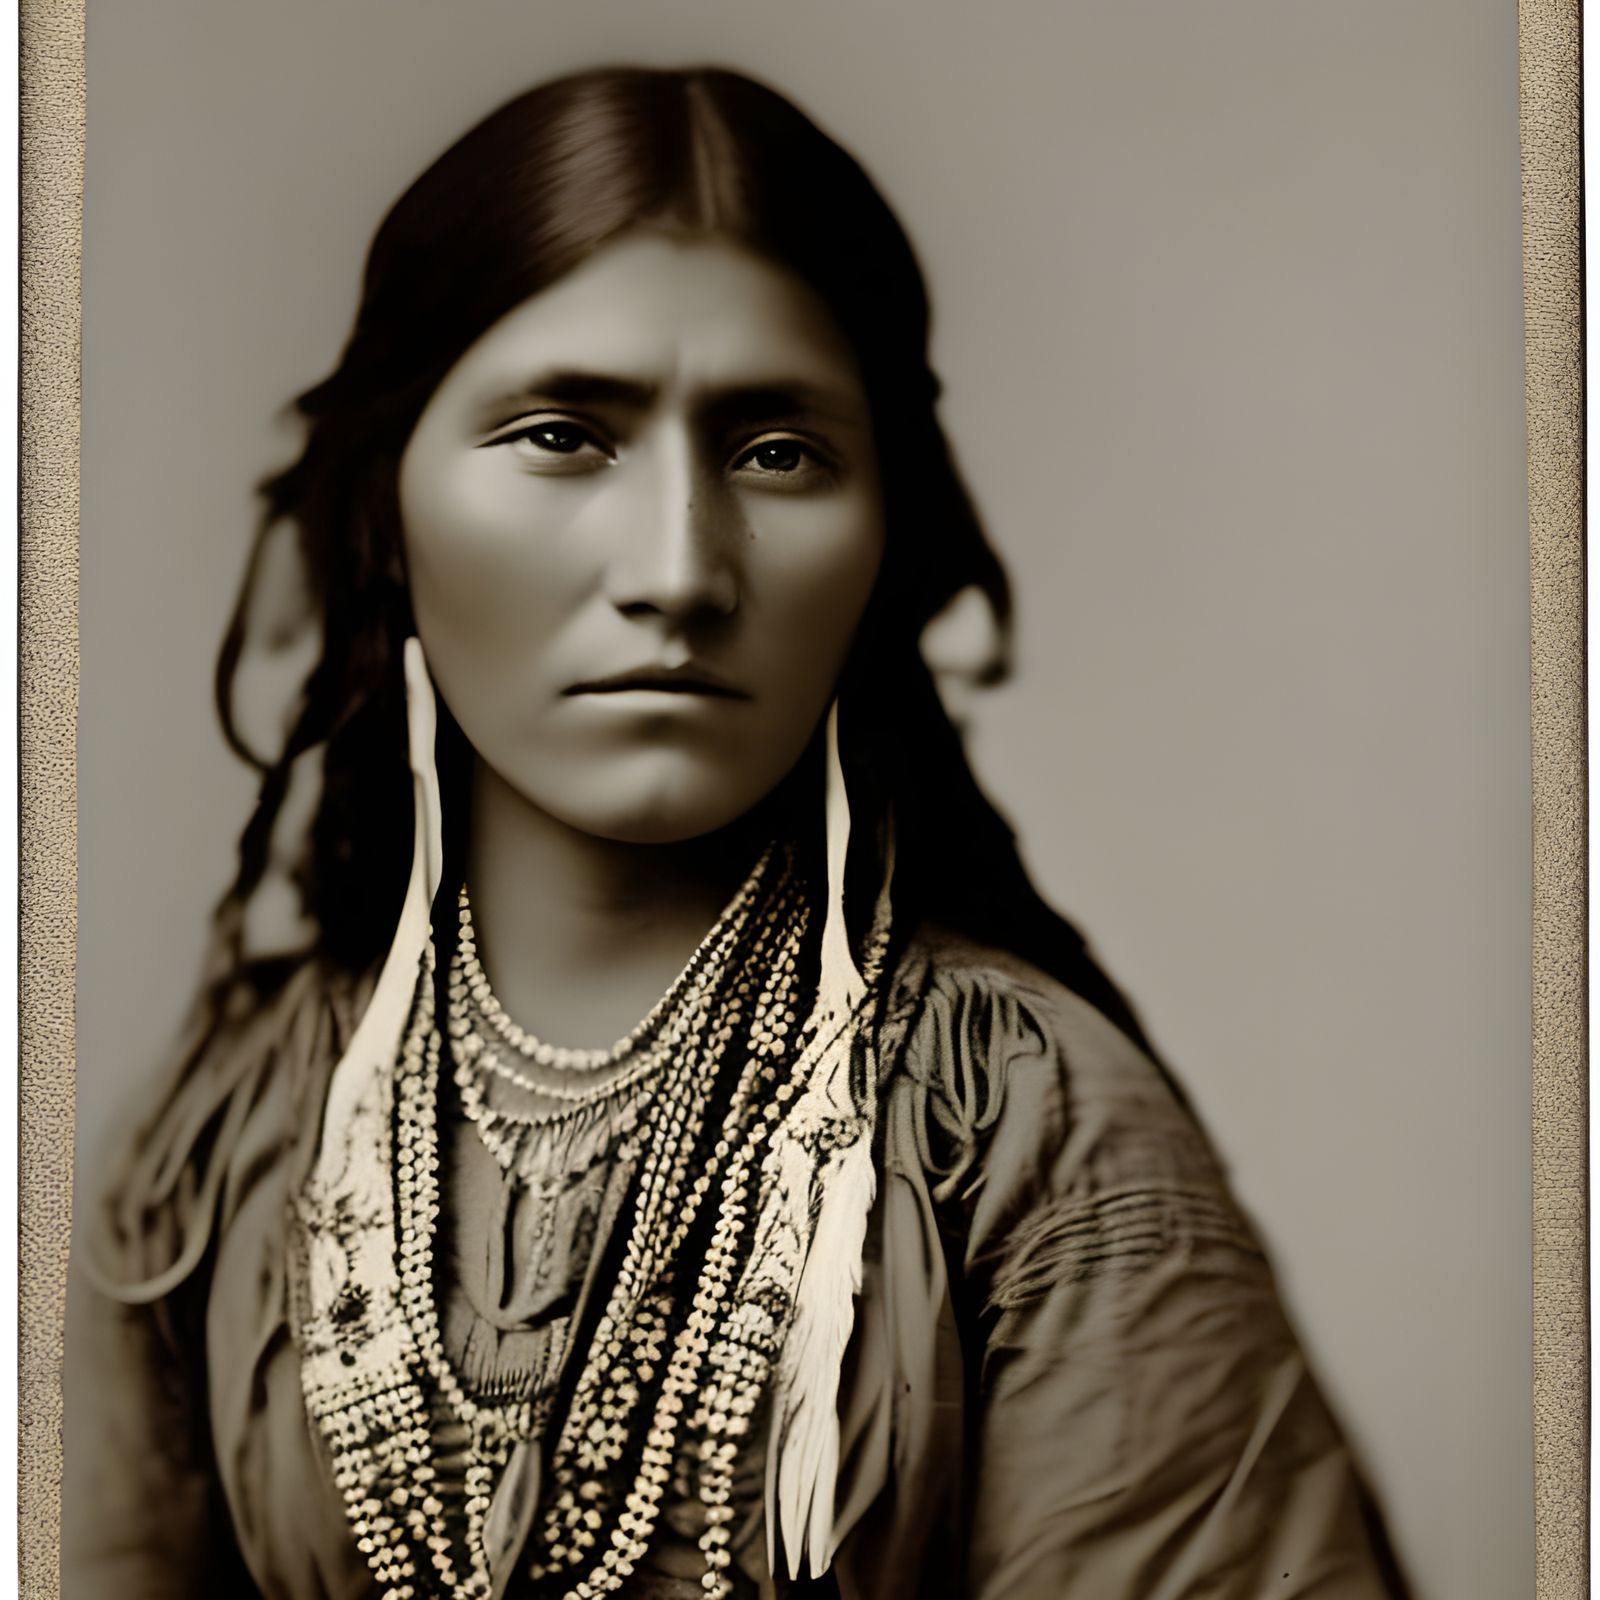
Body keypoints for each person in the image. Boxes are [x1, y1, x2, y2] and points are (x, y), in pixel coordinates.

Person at [63, 65, 1409, 1600]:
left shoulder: (1017, 1131)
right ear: (386, 510)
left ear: (886, 533)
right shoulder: (226, 1141)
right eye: (566, 434)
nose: (680, 569)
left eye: (777, 452)